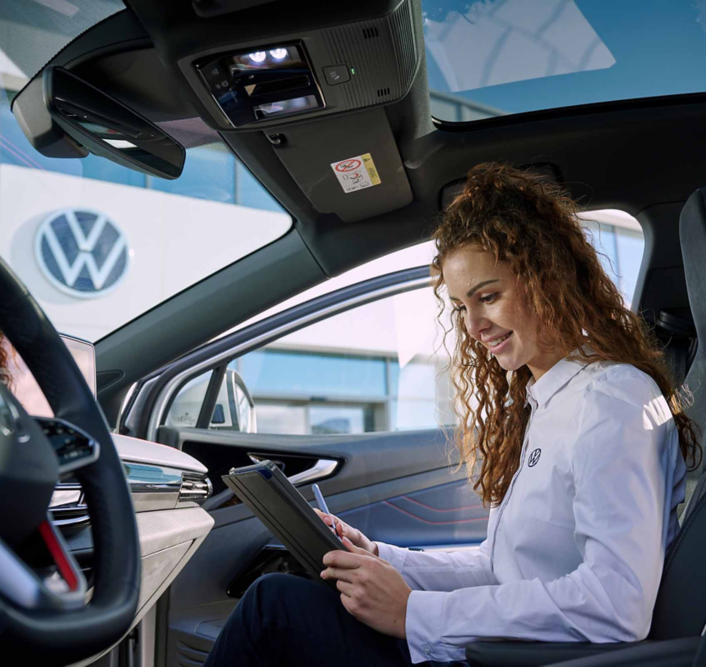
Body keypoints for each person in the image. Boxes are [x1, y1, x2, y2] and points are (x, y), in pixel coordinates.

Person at [203, 163, 701, 666]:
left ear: (549, 280)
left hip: (531, 660)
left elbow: (615, 604)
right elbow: (500, 568)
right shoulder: (544, 399)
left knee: (274, 607)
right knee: (284, 599)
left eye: (489, 297)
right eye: (463, 306)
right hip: (499, 650)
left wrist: (415, 614)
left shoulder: (612, 400)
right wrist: (381, 559)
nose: (475, 326)